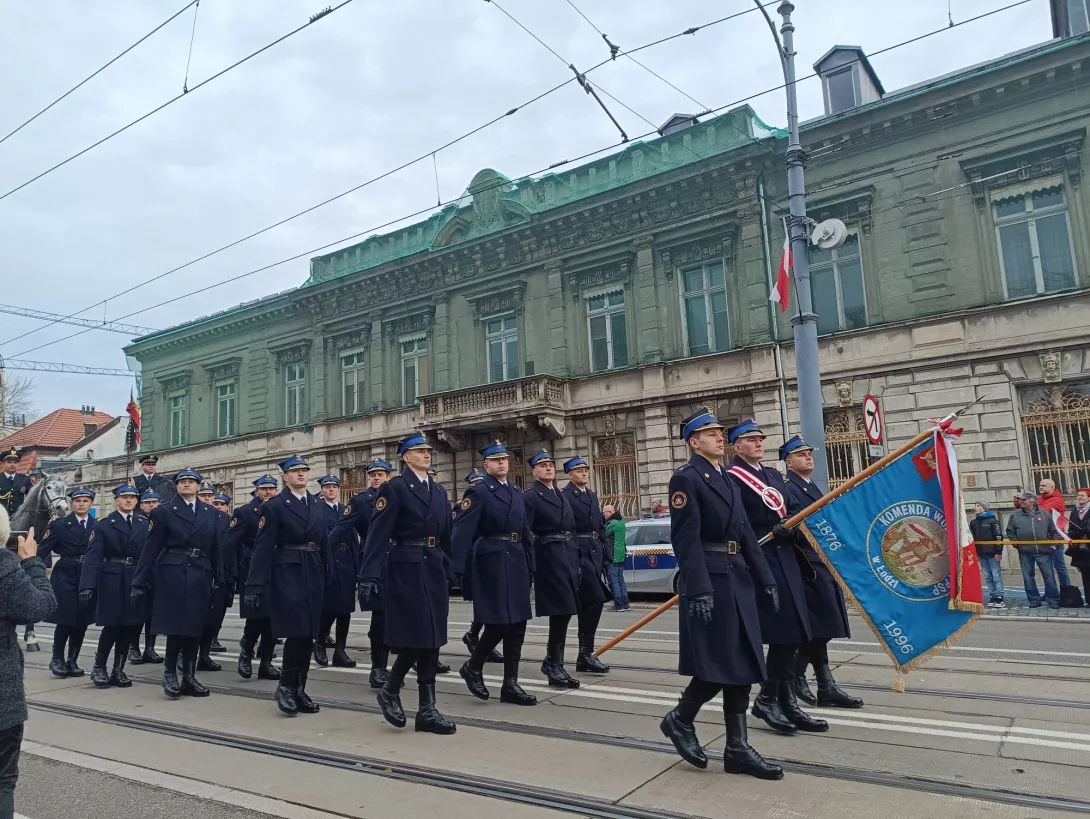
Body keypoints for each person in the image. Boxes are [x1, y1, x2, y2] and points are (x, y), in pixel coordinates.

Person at [658, 409, 782, 780]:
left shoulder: (727, 478)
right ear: (694, 442)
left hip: (737, 577)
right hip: (711, 579)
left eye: (719, 432)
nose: (718, 438)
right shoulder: (687, 479)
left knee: (742, 663)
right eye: (710, 433)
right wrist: (698, 588)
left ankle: (736, 747)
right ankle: (680, 719)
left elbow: (744, 533)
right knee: (719, 664)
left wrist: (767, 579)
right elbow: (686, 539)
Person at [724, 420, 827, 735]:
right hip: (760, 559)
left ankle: (784, 703)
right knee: (784, 632)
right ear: (736, 446)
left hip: (786, 557)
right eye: (750, 440)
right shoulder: (732, 478)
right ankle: (768, 698)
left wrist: (791, 528)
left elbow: (795, 511)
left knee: (796, 631)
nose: (758, 443)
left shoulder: (773, 476)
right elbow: (735, 520)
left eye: (760, 438)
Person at [357, 434, 456, 735]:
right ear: (405, 457)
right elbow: (377, 533)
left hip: (434, 565)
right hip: (405, 563)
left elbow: (447, 534)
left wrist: (451, 568)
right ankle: (391, 688)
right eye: (418, 451)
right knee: (418, 634)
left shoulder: (438, 490)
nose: (426, 455)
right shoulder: (395, 487)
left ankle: (426, 709)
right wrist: (369, 575)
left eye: (427, 451)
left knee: (434, 637)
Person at [453, 440, 536, 706]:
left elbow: (525, 532)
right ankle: (474, 665)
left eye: (505, 459)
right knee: (500, 620)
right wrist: (452, 568)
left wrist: (532, 565)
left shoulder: (516, 491)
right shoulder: (478, 492)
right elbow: (462, 531)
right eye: (495, 460)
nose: (501, 463)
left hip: (517, 559)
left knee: (518, 623)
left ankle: (510, 684)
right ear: (486, 465)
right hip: (491, 557)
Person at [781, 436, 862, 709]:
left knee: (824, 625)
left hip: (823, 561)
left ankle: (826, 685)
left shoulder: (811, 486)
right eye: (801, 454)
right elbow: (790, 527)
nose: (808, 457)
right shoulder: (787, 489)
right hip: (807, 565)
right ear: (788, 461)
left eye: (809, 453)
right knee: (822, 624)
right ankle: (794, 673)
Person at [245, 456, 331, 715]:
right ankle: (285, 686)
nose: (301, 474)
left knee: (309, 635)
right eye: (295, 471)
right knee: (296, 632)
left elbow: (324, 541)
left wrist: (332, 574)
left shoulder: (316, 504)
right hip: (287, 572)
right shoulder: (275, 506)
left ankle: (300, 688)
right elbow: (262, 548)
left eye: (304, 470)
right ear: (285, 477)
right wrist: (254, 586)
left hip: (313, 571)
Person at [131, 468, 224, 698]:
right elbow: (151, 548)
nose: (187, 484)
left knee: (195, 626)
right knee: (176, 626)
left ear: (198, 486)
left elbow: (216, 548)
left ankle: (189, 676)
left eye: (191, 481)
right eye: (182, 481)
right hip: (173, 570)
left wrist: (220, 577)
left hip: (201, 571)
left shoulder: (210, 512)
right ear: (177, 485)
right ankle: (170, 672)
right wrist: (139, 581)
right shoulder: (164, 512)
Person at [0, 510, 57, 819]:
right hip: (2, 698)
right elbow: (40, 606)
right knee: (2, 780)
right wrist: (32, 562)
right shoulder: (4, 567)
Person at [79, 484, 149, 688]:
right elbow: (93, 557)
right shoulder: (104, 524)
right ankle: (99, 667)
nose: (129, 500)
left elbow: (149, 554)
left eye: (132, 497)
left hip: (135, 578)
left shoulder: (144, 524)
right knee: (112, 625)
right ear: (116, 500)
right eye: (124, 497)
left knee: (130, 627)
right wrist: (87, 586)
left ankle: (118, 669)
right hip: (112, 577)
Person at [524, 449, 582, 688]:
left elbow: (572, 524)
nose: (548, 468)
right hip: (548, 555)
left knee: (566, 611)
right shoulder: (531, 496)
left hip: (567, 554)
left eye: (550, 464)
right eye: (543, 465)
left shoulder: (559, 493)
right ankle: (553, 663)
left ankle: (554, 662)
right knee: (560, 610)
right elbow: (527, 529)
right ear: (534, 471)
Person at [329, 459, 390, 686]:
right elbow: (341, 528)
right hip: (375, 562)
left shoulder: (398, 495)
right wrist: (323, 554)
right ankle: (378, 668)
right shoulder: (361, 501)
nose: (376, 478)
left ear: (387, 476)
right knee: (381, 618)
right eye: (372, 474)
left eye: (380, 474)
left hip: (401, 561)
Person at [225, 475, 280, 681]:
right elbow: (229, 542)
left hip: (277, 569)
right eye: (264, 489)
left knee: (274, 619)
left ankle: (266, 663)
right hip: (254, 569)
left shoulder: (279, 508)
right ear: (257, 490)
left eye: (271, 489)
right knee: (256, 616)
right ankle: (246, 654)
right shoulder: (246, 512)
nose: (268, 492)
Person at [38, 487, 97, 678]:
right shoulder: (59, 525)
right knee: (65, 619)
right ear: (72, 503)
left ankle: (72, 660)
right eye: (78, 500)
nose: (81, 504)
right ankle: (57, 659)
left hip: (88, 575)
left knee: (82, 621)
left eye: (85, 501)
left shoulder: (98, 525)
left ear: (91, 503)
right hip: (65, 574)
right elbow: (42, 551)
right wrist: (34, 573)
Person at [561, 455, 611, 674]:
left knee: (592, 603)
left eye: (585, 470)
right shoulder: (566, 496)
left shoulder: (591, 496)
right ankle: (583, 654)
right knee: (592, 601)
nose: (584, 473)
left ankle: (585, 653)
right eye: (579, 470)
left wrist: (606, 552)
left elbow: (600, 526)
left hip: (594, 553)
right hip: (578, 553)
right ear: (570, 474)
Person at [458, 469, 503, 665]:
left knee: (491, 603)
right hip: (474, 559)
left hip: (490, 557)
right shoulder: (463, 507)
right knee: (486, 603)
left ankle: (475, 636)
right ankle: (477, 638)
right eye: (474, 484)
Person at [314, 474, 355, 669]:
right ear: (322, 490)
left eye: (334, 486)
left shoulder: (345, 509)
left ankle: (340, 650)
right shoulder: (317, 509)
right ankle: (320, 643)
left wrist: (357, 567)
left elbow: (353, 539)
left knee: (345, 611)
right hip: (328, 562)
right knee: (329, 608)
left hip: (346, 562)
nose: (331, 489)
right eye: (327, 486)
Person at [195, 481, 231, 672]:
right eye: (203, 495)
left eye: (210, 495)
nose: (208, 498)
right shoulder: (193, 515)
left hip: (218, 571)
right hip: (197, 569)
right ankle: (186, 656)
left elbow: (229, 547)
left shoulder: (223, 519)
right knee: (194, 616)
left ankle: (204, 654)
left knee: (214, 617)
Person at [1007, 491, 1062, 609]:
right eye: (1020, 500)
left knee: (1049, 577)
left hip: (1044, 551)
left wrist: (1055, 543)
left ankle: (1053, 599)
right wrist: (1017, 545)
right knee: (1028, 577)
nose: (1020, 502)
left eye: (1023, 500)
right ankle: (1034, 600)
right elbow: (1010, 531)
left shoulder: (1044, 513)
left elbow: (1054, 530)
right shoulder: (1015, 514)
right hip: (1025, 552)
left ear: (1032, 500)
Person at [129, 490, 163, 665]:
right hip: (139, 570)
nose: (151, 505)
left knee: (153, 613)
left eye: (154, 502)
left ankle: (150, 648)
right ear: (141, 505)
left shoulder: (164, 520)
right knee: (137, 612)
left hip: (157, 571)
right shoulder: (138, 521)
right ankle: (133, 647)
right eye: (147, 502)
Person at [969, 501, 1004, 608]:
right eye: (975, 505)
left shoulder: (993, 521)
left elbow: (998, 536)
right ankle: (992, 594)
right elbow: (972, 538)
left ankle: (999, 596)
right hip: (981, 553)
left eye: (978, 506)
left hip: (993, 553)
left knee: (996, 575)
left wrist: (998, 552)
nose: (975, 507)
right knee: (988, 576)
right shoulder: (974, 522)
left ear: (984, 508)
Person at [1037, 478, 1072, 587]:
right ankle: (1051, 592)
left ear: (1052, 487)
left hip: (1055, 538)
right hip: (1043, 537)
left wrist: (1031, 505)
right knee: (1046, 569)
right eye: (1040, 485)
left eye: (1044, 485)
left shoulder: (1057, 500)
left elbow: (1043, 511)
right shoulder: (1040, 499)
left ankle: (1066, 591)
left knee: (1059, 566)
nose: (1041, 487)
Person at [603, 504, 629, 612]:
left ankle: (618, 604)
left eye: (604, 514)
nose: (604, 516)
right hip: (621, 554)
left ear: (609, 512)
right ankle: (625, 603)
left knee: (614, 580)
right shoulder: (621, 522)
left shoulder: (612, 523)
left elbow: (603, 533)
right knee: (620, 579)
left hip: (613, 554)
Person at [1068, 488, 1090, 604]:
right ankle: (1088, 600)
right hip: (1081, 549)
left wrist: (1084, 531)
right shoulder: (1074, 510)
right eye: (1079, 495)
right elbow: (1071, 529)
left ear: (1089, 498)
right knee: (1085, 575)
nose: (1080, 497)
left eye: (1083, 495)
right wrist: (1075, 534)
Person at [0, 447, 32, 517]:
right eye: (9, 462)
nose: (12, 465)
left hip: (18, 517)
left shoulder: (25, 479)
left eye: (15, 462)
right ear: (3, 464)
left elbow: (32, 497)